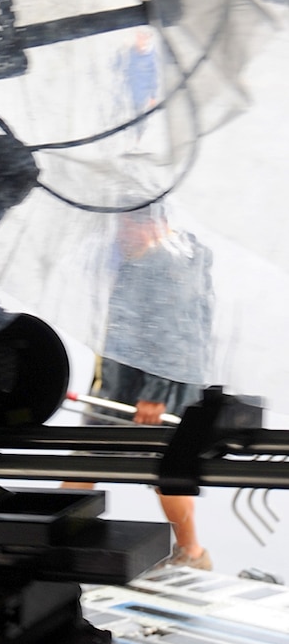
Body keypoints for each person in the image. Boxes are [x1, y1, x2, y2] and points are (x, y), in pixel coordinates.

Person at [95, 206, 216, 570]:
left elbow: (174, 334)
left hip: (150, 388)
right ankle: (52, 531)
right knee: (87, 458)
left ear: (149, 223)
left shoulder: (168, 264)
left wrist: (156, 394)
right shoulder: (154, 260)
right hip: (125, 380)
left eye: (126, 225)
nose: (120, 234)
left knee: (166, 471)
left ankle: (192, 552)